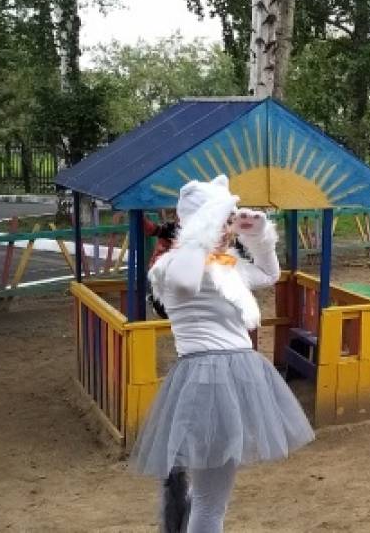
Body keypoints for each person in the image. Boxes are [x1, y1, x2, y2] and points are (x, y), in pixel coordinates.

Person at [132, 175, 314, 533]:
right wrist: (201, 230)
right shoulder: (172, 265)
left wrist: (259, 237)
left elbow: (268, 274)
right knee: (209, 503)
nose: (228, 228)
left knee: (211, 500)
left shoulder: (223, 264)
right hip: (208, 381)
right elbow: (185, 282)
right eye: (223, 219)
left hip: (232, 376)